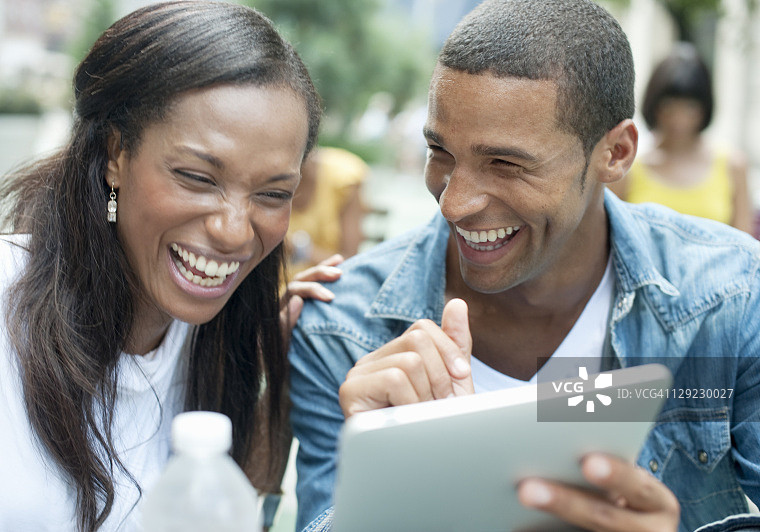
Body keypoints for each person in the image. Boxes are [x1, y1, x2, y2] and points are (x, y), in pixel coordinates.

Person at [288, 1, 760, 531]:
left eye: (506, 164)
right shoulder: (341, 328)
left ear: (616, 153)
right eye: (439, 150)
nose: (454, 203)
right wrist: (385, 498)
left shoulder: (732, 298)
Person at [0, 2, 335, 531]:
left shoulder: (228, 344)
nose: (234, 230)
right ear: (115, 153)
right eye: (197, 177)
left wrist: (291, 383)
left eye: (273, 193)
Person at [609, 43, 754, 234]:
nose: (679, 119)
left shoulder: (732, 166)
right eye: (669, 106)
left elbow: (745, 246)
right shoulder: (628, 167)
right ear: (654, 105)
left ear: (704, 108)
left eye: (690, 108)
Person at [287, 146, 368, 276]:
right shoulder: (261, 173)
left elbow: (350, 261)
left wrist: (298, 249)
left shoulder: (342, 177)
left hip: (323, 288)